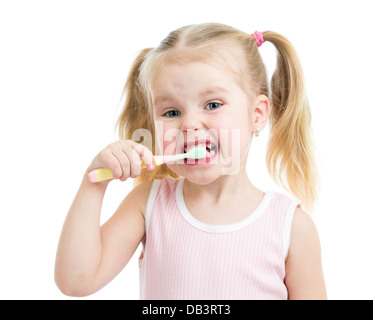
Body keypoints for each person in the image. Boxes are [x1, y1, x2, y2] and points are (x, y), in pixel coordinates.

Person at [55, 23, 327, 299]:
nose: (189, 124)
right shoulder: (147, 205)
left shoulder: (292, 226)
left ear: (256, 114)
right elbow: (76, 281)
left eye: (212, 105)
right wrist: (94, 184)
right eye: (172, 112)